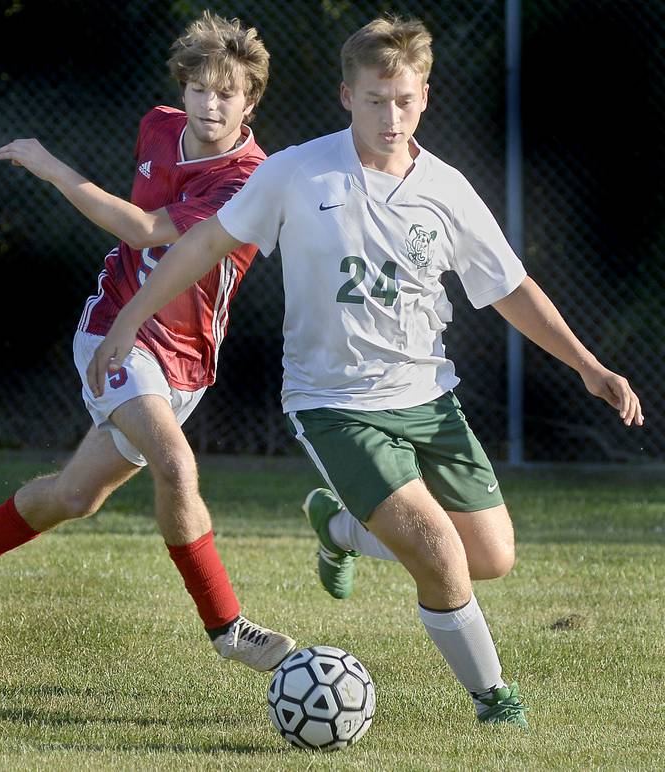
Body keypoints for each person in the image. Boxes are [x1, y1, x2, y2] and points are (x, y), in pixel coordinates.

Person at [83, 15, 644, 727]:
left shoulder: (446, 189)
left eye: (404, 100)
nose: (391, 115)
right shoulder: (297, 171)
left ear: (425, 98)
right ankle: (494, 701)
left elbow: (510, 288)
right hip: (333, 404)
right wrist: (129, 320)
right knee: (438, 549)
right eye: (376, 100)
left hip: (430, 400)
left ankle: (339, 529)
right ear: (347, 96)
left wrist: (590, 367)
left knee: (492, 557)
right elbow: (202, 246)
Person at [0, 11, 296, 673]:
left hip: (185, 365)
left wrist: (48, 164)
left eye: (228, 91)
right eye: (200, 87)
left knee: (76, 497)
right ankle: (226, 627)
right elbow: (135, 242)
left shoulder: (247, 177)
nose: (211, 102)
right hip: (116, 331)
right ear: (184, 88)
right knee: (176, 466)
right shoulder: (159, 125)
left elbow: (142, 229)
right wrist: (127, 325)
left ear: (251, 101)